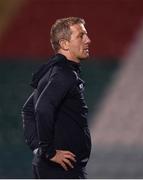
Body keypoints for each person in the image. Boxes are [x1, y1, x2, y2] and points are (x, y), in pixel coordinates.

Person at [22, 17, 92, 179]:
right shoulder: (63, 74)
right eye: (81, 36)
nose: (88, 40)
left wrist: (38, 149)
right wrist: (48, 151)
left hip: (55, 168)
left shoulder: (56, 70)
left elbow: (28, 110)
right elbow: (41, 108)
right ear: (64, 44)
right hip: (60, 170)